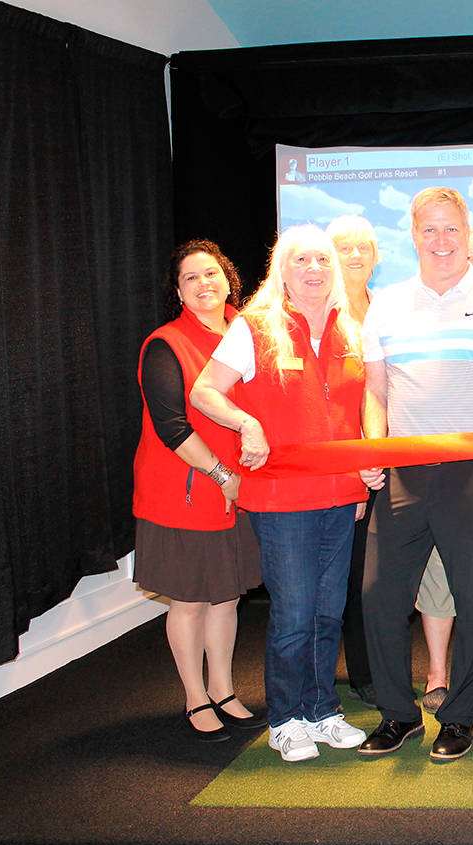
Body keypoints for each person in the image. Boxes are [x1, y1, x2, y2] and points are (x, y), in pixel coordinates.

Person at [356, 188, 473, 762]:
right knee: (379, 599)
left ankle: (458, 716)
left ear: (466, 232)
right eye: (430, 230)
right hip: (404, 474)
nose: (441, 241)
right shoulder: (386, 304)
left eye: (451, 230)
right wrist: (373, 446)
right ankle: (398, 714)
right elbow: (375, 392)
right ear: (413, 235)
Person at [191, 224, 368, 762]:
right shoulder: (255, 328)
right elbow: (202, 392)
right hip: (281, 500)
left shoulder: (352, 329)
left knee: (329, 611)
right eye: (300, 260)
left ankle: (322, 710)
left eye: (321, 259)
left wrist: (363, 476)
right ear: (282, 270)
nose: (313, 269)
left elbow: (356, 412)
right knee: (294, 613)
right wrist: (246, 422)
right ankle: (287, 718)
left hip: (341, 496)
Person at [133, 240, 263, 743]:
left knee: (226, 597)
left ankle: (225, 690)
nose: (204, 284)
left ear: (228, 279)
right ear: (179, 291)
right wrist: (221, 476)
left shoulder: (247, 332)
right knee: (188, 601)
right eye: (191, 277)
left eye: (211, 274)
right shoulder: (166, 343)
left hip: (241, 486)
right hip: (186, 489)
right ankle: (195, 698)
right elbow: (171, 427)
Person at [326, 216, 379, 708]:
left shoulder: (384, 310)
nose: (357, 255)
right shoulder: (324, 315)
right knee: (351, 579)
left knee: (380, 578)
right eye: (345, 248)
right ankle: (363, 675)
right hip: (347, 472)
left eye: (365, 247)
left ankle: (379, 670)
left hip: (386, 464)